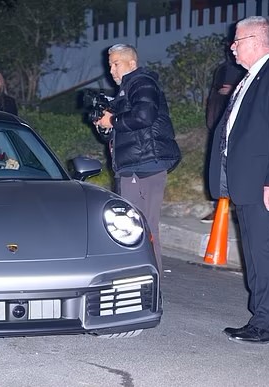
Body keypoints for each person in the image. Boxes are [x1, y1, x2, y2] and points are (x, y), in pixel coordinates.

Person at [208, 16, 269, 344]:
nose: (232, 46)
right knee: (253, 251)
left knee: (262, 251)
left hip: (262, 184)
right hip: (245, 181)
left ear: (255, 41)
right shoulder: (251, 77)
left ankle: (267, 324)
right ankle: (260, 318)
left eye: (237, 41)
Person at [94, 43, 181, 271]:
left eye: (116, 63)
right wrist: (105, 126)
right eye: (109, 64)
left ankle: (151, 286)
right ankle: (142, 282)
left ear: (132, 63)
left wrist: (111, 121)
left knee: (142, 227)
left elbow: (144, 116)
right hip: (133, 164)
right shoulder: (126, 90)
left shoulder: (141, 82)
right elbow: (123, 129)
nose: (111, 70)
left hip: (145, 164)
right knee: (132, 228)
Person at [201, 48, 246, 223]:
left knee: (236, 169)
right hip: (219, 124)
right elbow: (214, 93)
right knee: (218, 170)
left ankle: (235, 208)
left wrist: (233, 90)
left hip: (237, 129)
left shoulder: (247, 71)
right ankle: (219, 207)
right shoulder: (222, 69)